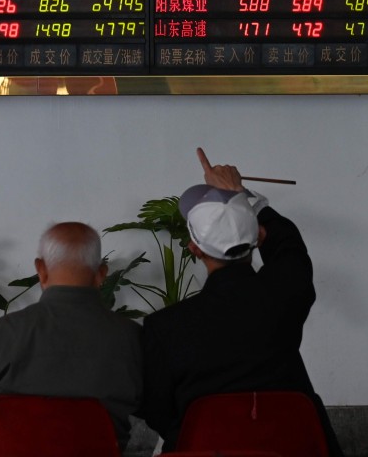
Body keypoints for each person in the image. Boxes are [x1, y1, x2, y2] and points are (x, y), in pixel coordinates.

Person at [139, 148, 344, 456]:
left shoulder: (164, 327)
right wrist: (238, 194)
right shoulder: (286, 294)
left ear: (194, 248)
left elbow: (157, 410)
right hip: (297, 446)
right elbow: (289, 246)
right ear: (259, 236)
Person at [0, 221, 143, 452]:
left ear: (41, 269)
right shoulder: (131, 337)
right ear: (102, 274)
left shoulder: (5, 333)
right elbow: (152, 408)